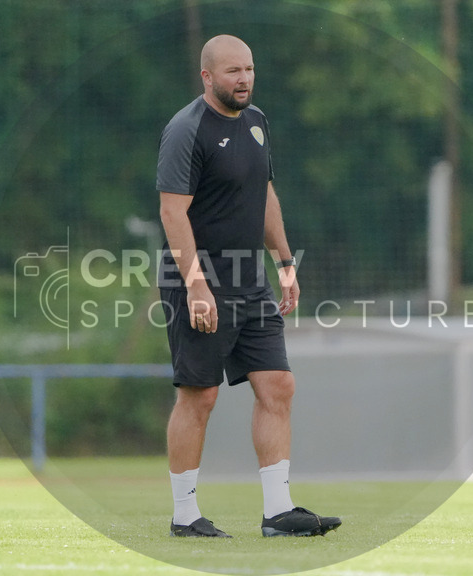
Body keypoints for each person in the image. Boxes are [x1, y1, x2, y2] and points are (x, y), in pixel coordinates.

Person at [155, 34, 341, 538]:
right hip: (198, 280)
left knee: (278, 385)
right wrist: (195, 286)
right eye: (233, 71)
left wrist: (284, 261)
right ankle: (184, 515)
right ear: (208, 77)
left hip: (250, 281)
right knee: (200, 395)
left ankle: (279, 513)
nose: (244, 79)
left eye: (250, 70)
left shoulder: (257, 124)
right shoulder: (186, 129)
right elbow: (172, 211)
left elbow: (265, 195)